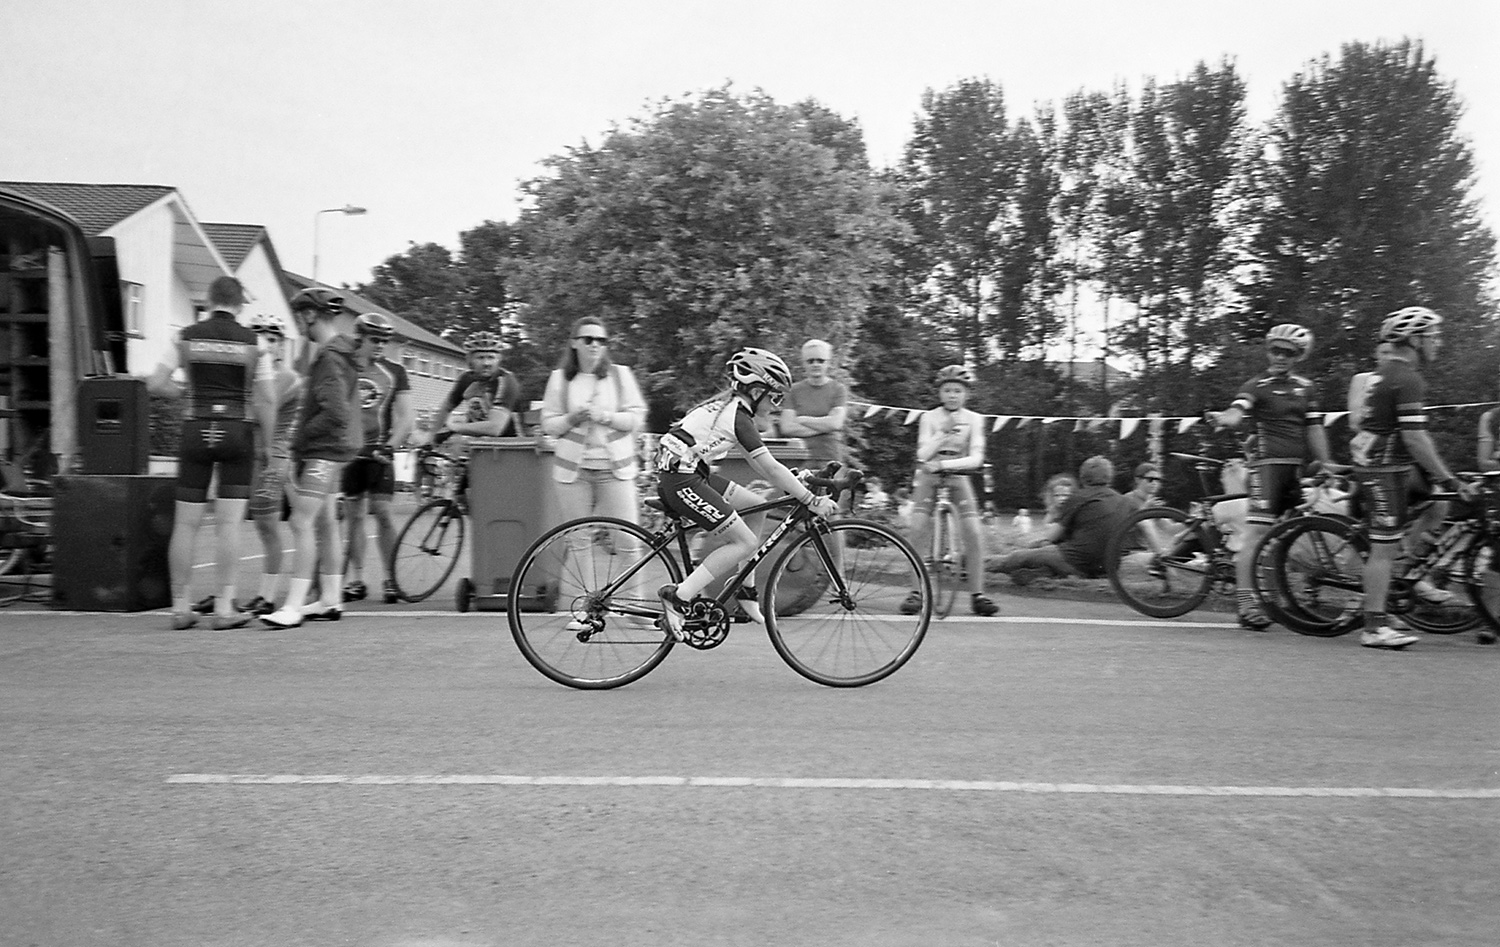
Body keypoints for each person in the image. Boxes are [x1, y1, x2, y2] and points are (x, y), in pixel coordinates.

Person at [655, 348, 839, 639]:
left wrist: (794, 482)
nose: (776, 405)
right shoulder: (738, 418)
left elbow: (764, 467)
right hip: (682, 480)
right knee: (743, 542)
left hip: (689, 475)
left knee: (757, 505)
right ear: (756, 390)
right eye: (774, 396)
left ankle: (745, 589)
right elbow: (770, 468)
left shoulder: (734, 411)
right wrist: (811, 500)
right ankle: (678, 596)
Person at [147, 275, 274, 631]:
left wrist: (184, 395)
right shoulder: (256, 343)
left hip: (194, 430)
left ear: (208, 300)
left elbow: (155, 383)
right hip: (238, 432)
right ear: (239, 304)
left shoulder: (184, 336)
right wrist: (268, 447)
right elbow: (267, 399)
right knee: (229, 524)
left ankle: (180, 607)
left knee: (186, 524)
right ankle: (223, 608)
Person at [1345, 306, 1475, 650]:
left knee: (1433, 507)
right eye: (1433, 336)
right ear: (1414, 340)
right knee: (1384, 549)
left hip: (1386, 465)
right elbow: (1416, 439)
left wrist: (1443, 480)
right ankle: (1373, 625)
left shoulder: (1387, 373)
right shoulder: (1407, 379)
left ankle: (1399, 583)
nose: (1438, 343)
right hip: (1382, 470)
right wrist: (1449, 480)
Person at [1208, 324, 1332, 631]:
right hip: (1267, 468)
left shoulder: (1306, 388)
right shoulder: (1258, 384)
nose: (1279, 357)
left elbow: (1314, 427)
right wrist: (1227, 418)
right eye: (1274, 350)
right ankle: (1246, 604)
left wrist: (1327, 462)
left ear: (1297, 356)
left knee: (1281, 539)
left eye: (1287, 353)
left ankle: (1275, 599)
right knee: (1256, 537)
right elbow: (1239, 409)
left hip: (1294, 470)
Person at [262, 288, 364, 629]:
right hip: (338, 449)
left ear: (309, 315)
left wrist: (301, 438)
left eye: (299, 317)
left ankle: (292, 606)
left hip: (324, 449)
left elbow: (334, 412)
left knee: (301, 522)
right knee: (325, 524)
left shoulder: (329, 358)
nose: (298, 324)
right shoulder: (341, 352)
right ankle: (331, 598)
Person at [900, 365, 999, 617]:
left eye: (957, 390)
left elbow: (976, 458)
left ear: (966, 394)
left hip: (957, 474)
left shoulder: (975, 419)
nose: (952, 395)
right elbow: (922, 454)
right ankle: (916, 592)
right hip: (928, 476)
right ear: (940, 393)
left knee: (974, 533)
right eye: (947, 390)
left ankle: (978, 595)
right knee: (917, 528)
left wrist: (944, 464)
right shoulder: (929, 417)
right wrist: (942, 433)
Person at [539, 317, 647, 523]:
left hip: (615, 471)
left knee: (628, 540)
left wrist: (605, 417)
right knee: (577, 540)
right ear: (574, 343)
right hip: (573, 472)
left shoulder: (620, 375)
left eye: (601, 340)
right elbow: (549, 425)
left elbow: (636, 419)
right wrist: (572, 418)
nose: (595, 344)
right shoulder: (560, 378)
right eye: (588, 339)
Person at [340, 313, 414, 605]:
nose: (380, 345)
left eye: (385, 341)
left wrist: (391, 446)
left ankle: (390, 578)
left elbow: (408, 418)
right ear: (360, 339)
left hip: (379, 452)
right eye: (375, 340)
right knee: (354, 516)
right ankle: (357, 580)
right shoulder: (344, 368)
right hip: (349, 453)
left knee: (382, 513)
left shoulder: (394, 372)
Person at [242, 313, 303, 616]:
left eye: (272, 339)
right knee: (248, 526)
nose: (265, 344)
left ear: (281, 346)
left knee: (268, 527)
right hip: (246, 455)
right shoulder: (253, 375)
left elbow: (257, 411)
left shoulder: (286, 376)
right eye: (258, 337)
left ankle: (266, 596)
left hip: (272, 458)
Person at [997, 455, 1134, 584]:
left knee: (1020, 556)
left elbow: (1052, 536)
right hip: (1108, 567)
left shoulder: (1079, 497)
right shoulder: (1124, 501)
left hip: (1075, 560)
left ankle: (987, 567)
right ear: (1109, 477)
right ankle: (1046, 573)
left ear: (1083, 477)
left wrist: (1034, 544)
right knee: (1049, 557)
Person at [779, 338, 848, 498]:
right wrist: (823, 424)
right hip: (800, 460)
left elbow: (836, 423)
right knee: (798, 509)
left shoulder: (838, 389)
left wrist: (802, 419)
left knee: (830, 509)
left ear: (828, 362)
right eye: (810, 361)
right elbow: (787, 427)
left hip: (831, 459)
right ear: (804, 363)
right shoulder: (794, 391)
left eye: (820, 360)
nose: (815, 364)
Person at [433, 330, 524, 440]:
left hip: (512, 446)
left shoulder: (505, 381)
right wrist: (432, 436)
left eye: (491, 357)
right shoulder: (466, 379)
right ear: (469, 360)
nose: (486, 363)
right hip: (479, 445)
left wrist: (454, 427)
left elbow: (495, 428)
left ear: (499, 360)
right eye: (480, 358)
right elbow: (446, 408)